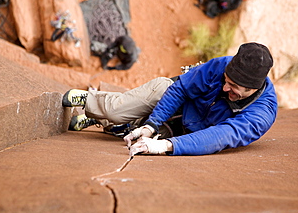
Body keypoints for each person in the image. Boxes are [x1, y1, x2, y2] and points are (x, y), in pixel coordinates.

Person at [62, 42, 278, 156]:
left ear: (253, 88)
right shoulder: (223, 65)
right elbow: (180, 89)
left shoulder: (260, 115)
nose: (224, 87)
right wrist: (152, 125)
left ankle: (102, 121)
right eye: (226, 80)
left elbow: (218, 136)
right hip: (169, 93)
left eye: (233, 87)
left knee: (131, 136)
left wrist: (164, 146)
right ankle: (91, 101)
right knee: (118, 111)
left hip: (183, 130)